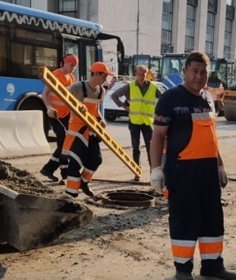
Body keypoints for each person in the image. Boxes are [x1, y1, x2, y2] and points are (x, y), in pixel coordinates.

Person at [149, 51, 236, 280]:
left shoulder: (208, 98)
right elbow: (157, 136)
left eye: (203, 72)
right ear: (185, 71)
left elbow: (211, 136)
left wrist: (219, 165)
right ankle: (183, 268)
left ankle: (212, 265)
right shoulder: (171, 98)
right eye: (194, 71)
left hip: (208, 171)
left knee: (212, 218)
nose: (198, 76)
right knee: (185, 219)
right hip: (182, 170)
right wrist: (156, 169)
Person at [61, 61, 114, 198]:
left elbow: (96, 111)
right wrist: (77, 105)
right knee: (74, 163)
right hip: (77, 132)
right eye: (104, 76)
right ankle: (71, 195)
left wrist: (101, 120)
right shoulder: (79, 87)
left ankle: (84, 182)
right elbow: (63, 96)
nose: (105, 79)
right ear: (95, 74)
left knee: (96, 159)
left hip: (91, 131)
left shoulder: (101, 91)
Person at [110, 65, 162, 181]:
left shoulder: (153, 87)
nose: (140, 77)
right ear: (135, 74)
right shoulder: (130, 86)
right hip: (134, 121)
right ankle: (136, 172)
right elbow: (114, 96)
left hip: (147, 122)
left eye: (143, 74)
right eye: (138, 75)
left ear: (146, 74)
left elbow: (163, 99)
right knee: (135, 148)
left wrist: (159, 111)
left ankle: (152, 173)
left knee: (151, 148)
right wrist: (124, 106)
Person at [40, 54, 78, 183]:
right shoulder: (55, 75)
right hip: (55, 115)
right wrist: (49, 108)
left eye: (75, 66)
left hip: (67, 115)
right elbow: (44, 94)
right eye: (71, 65)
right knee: (64, 145)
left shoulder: (72, 78)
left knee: (65, 144)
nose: (73, 68)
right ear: (64, 62)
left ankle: (48, 169)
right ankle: (65, 174)